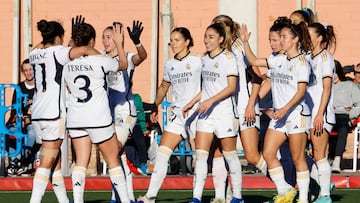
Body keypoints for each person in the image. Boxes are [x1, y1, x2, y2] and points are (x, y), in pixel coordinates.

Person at [63, 21, 142, 203]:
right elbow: (123, 64)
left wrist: (73, 40)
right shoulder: (101, 60)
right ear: (92, 41)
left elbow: (67, 77)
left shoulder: (67, 63)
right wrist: (119, 43)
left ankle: (77, 201)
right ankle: (123, 199)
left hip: (76, 118)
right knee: (113, 159)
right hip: (98, 117)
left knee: (80, 162)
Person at [242, 21, 313, 203]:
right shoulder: (278, 59)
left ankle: (303, 198)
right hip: (280, 116)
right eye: (279, 37)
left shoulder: (302, 62)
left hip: (296, 114)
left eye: (284, 37)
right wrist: (245, 42)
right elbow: (254, 61)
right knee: (268, 153)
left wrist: (285, 108)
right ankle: (286, 191)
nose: (280, 40)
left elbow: (301, 91)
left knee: (298, 158)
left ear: (295, 39)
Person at [29, 18, 98, 203]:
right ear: (59, 37)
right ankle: (34, 200)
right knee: (46, 161)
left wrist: (49, 38)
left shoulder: (34, 53)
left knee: (55, 161)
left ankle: (64, 201)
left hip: (36, 114)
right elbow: (83, 49)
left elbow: (41, 47)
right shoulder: (59, 52)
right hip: (53, 115)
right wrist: (101, 58)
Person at [137, 27, 201, 203]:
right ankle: (150, 196)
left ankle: (204, 196)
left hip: (196, 114)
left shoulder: (198, 61)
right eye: (171, 40)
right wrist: (155, 105)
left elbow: (209, 86)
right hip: (177, 116)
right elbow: (164, 86)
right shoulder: (169, 64)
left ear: (187, 41)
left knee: (202, 157)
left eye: (177, 40)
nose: (173, 44)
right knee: (162, 155)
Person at [184, 23, 243, 203]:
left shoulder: (228, 58)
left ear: (220, 39)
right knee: (200, 156)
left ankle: (238, 197)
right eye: (205, 36)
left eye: (211, 37)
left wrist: (210, 101)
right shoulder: (204, 59)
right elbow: (207, 88)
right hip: (206, 115)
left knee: (230, 156)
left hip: (224, 114)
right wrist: (192, 102)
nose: (206, 40)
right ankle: (196, 197)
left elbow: (231, 87)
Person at [209, 15, 265, 203]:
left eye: (218, 27)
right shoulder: (215, 52)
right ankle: (220, 196)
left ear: (228, 29)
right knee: (219, 152)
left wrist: (251, 103)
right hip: (225, 110)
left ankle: (285, 186)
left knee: (252, 155)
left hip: (244, 107)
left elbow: (258, 77)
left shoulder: (239, 48)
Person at [103, 20, 147, 203]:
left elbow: (142, 57)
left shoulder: (127, 57)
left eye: (109, 37)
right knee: (117, 156)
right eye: (103, 37)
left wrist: (137, 42)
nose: (105, 41)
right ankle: (127, 196)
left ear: (118, 39)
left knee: (113, 152)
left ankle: (116, 198)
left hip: (126, 112)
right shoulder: (102, 60)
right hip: (109, 113)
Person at [307, 22, 336, 203]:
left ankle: (325, 195)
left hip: (320, 113)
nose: (306, 38)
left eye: (309, 35)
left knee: (319, 154)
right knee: (296, 151)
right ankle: (321, 181)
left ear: (320, 37)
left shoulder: (326, 58)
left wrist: (319, 114)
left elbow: (326, 88)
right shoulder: (307, 57)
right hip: (306, 114)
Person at [6, 58, 41, 176]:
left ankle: (19, 162)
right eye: (26, 70)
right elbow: (14, 110)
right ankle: (16, 163)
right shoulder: (19, 88)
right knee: (11, 131)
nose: (29, 72)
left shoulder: (40, 87)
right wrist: (19, 119)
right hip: (19, 122)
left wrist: (29, 119)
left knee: (31, 133)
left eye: (30, 69)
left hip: (34, 122)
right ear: (23, 72)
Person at [332, 64, 360, 173]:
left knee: (343, 127)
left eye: (335, 72)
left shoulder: (349, 85)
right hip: (329, 116)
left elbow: (358, 104)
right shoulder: (326, 86)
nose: (333, 76)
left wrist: (350, 114)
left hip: (344, 116)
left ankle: (336, 161)